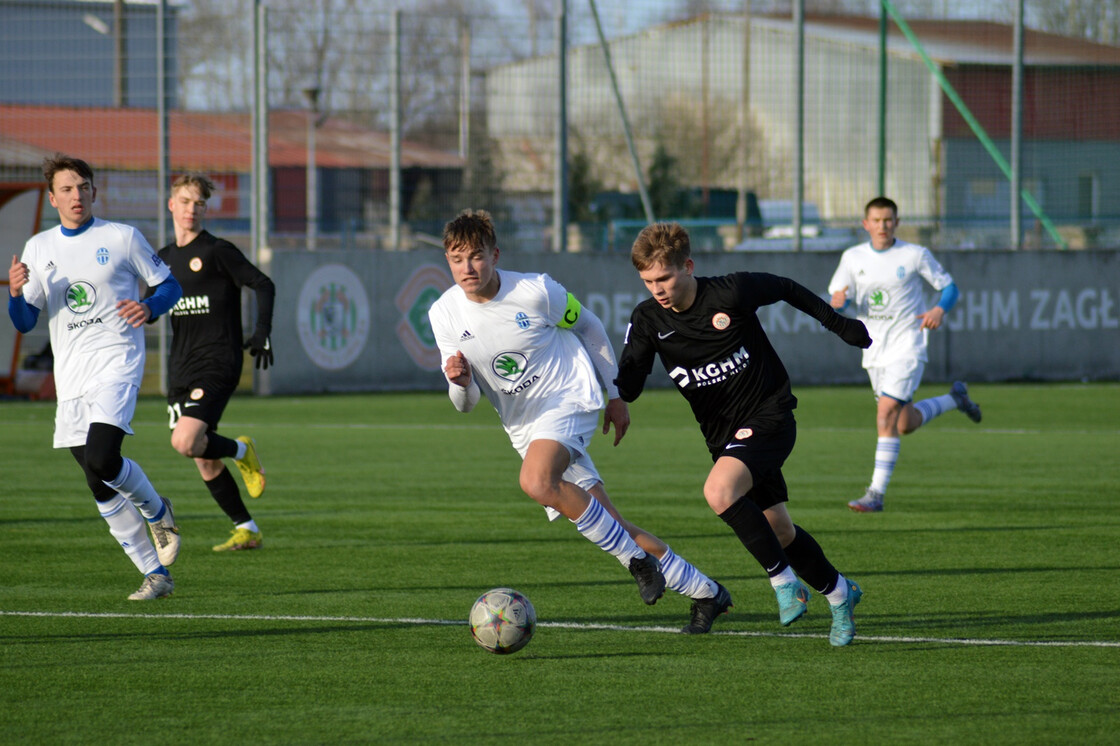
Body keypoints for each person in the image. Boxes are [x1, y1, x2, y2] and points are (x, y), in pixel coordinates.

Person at [428, 209, 733, 634]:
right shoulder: (444, 314)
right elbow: (465, 403)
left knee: (536, 482)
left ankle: (636, 562)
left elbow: (589, 327)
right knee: (611, 522)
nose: (467, 268)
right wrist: (459, 382)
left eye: (476, 257)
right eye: (457, 259)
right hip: (525, 428)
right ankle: (706, 592)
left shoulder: (536, 292)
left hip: (570, 396)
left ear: (494, 255)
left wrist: (615, 394)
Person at [616, 222, 872, 646]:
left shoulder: (729, 292)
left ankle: (784, 584)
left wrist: (839, 324)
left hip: (770, 415)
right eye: (648, 281)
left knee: (718, 491)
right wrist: (604, 384)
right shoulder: (647, 320)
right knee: (781, 532)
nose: (657, 288)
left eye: (664, 277)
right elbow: (629, 384)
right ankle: (841, 594)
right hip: (724, 438)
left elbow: (787, 287)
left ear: (688, 266)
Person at [7, 154, 183, 600]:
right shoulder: (39, 248)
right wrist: (13, 293)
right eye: (66, 189)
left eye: (83, 186)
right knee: (94, 477)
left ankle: (158, 510)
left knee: (105, 458)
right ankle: (155, 574)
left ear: (94, 192)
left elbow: (170, 286)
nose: (76, 195)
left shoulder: (121, 238)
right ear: (52, 198)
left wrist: (149, 307)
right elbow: (26, 321)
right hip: (71, 375)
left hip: (116, 361)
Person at [828, 196, 981, 513]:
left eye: (888, 220)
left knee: (885, 414)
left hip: (908, 345)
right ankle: (956, 399)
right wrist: (839, 300)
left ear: (897, 222)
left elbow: (950, 288)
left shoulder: (914, 255)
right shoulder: (852, 257)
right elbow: (839, 297)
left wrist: (939, 309)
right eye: (877, 220)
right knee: (903, 423)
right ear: (865, 224)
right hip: (873, 349)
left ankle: (875, 494)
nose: (883, 226)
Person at [156, 173, 273, 551]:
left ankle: (242, 452)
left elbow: (263, 284)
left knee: (186, 440)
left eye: (199, 203)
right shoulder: (163, 259)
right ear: (171, 205)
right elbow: (150, 308)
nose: (192, 209)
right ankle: (247, 527)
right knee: (202, 455)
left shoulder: (217, 251)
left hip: (219, 360)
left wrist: (261, 331)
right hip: (181, 369)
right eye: (185, 201)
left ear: (205, 208)